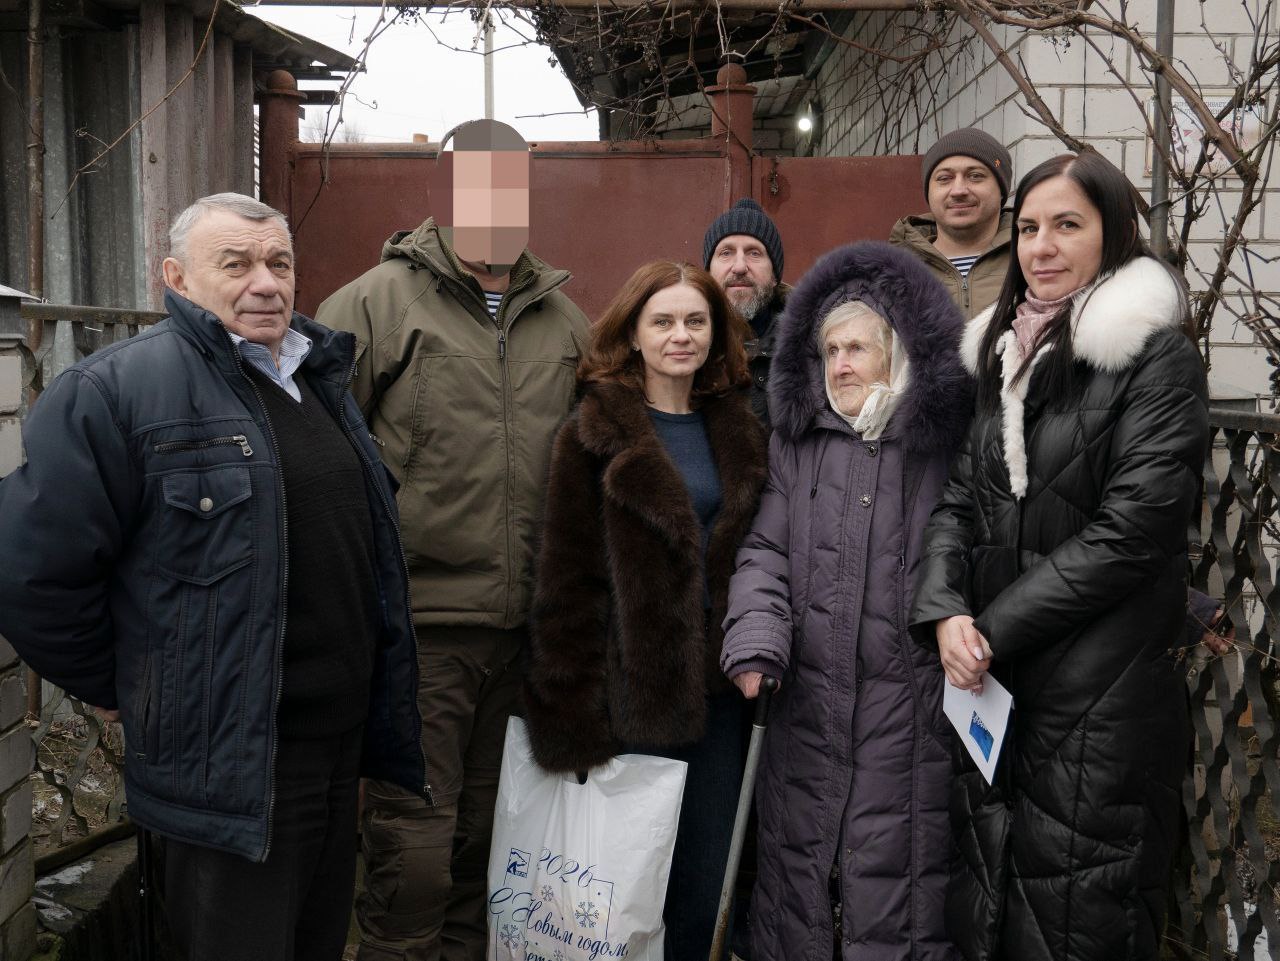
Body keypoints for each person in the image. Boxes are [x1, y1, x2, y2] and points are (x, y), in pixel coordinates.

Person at [0, 193, 425, 961]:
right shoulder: (116, 391)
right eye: (236, 264)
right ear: (177, 278)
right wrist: (126, 680)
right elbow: (30, 573)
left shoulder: (315, 377)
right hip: (227, 763)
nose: (265, 282)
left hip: (335, 747)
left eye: (279, 263)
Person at [907, 152, 1210, 961]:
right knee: (994, 909)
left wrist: (990, 630)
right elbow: (960, 502)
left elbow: (1134, 530)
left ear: (1113, 233)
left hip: (1101, 694)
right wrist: (944, 611)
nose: (1041, 246)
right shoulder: (1005, 353)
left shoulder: (1156, 357)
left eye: (1067, 225)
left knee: (1082, 916)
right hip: (997, 687)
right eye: (1030, 227)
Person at [314, 119, 590, 961]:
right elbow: (320, 455)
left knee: (485, 836)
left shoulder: (565, 320)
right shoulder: (374, 303)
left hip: (524, 632)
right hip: (421, 627)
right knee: (415, 843)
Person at [720, 242, 971, 961]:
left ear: (898, 353)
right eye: (830, 350)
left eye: (857, 347)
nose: (840, 364)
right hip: (807, 702)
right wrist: (757, 634)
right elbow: (765, 549)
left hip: (911, 707)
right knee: (800, 871)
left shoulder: (943, 444)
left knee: (896, 874)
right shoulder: (798, 444)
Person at [523, 261, 767, 961]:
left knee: (706, 887)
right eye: (662, 321)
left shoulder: (743, 430)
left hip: (721, 695)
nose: (680, 335)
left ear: (715, 333)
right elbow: (566, 581)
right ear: (633, 333)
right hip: (630, 699)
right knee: (624, 890)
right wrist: (571, 722)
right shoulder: (590, 434)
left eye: (695, 320)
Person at [889, 127, 1013, 320]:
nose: (958, 190)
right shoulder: (895, 269)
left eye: (975, 176)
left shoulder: (1031, 257)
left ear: (1001, 190)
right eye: (944, 178)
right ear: (928, 193)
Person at [704, 198, 789, 427]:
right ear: (708, 273)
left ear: (774, 276)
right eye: (726, 253)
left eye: (754, 253)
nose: (740, 267)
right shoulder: (684, 345)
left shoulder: (812, 345)